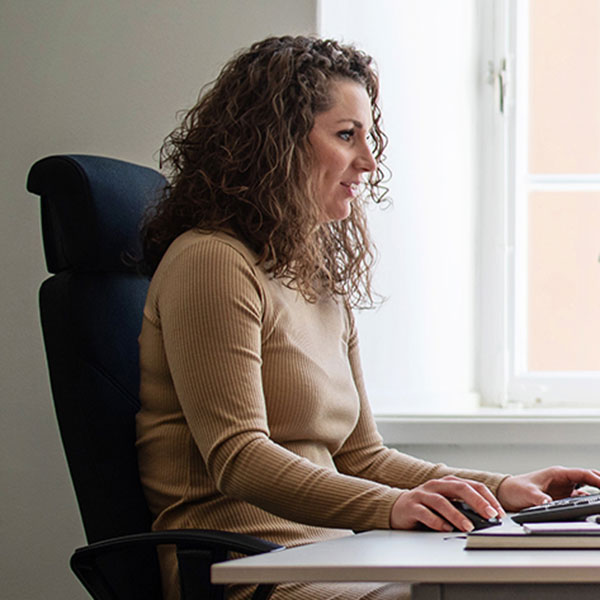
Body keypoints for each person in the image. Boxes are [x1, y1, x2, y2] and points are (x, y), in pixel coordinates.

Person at [136, 35, 600, 600]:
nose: (368, 160)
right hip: (251, 570)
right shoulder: (211, 260)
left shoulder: (314, 274)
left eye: (367, 136)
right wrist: (392, 508)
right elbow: (239, 458)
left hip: (342, 554)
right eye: (345, 135)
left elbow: (362, 455)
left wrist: (503, 489)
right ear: (274, 142)